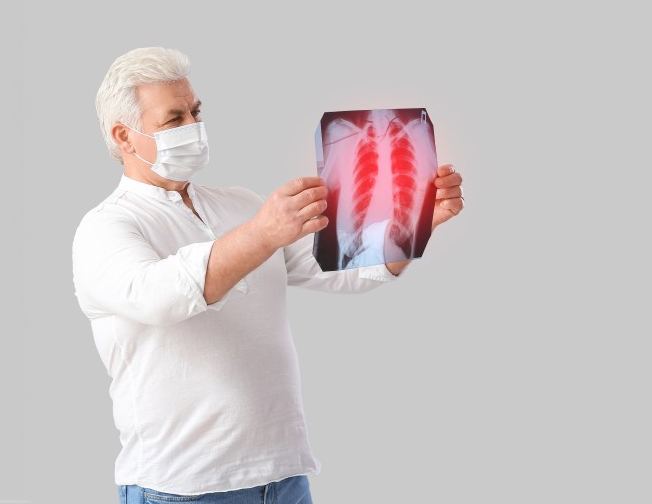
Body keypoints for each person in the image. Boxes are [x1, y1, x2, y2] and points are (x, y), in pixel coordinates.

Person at [71, 47, 465, 504]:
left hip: (282, 477)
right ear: (124, 136)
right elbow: (159, 298)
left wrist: (414, 222)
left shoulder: (238, 204)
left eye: (196, 111)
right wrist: (261, 234)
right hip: (182, 487)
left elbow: (339, 269)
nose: (193, 127)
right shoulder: (106, 228)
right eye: (173, 118)